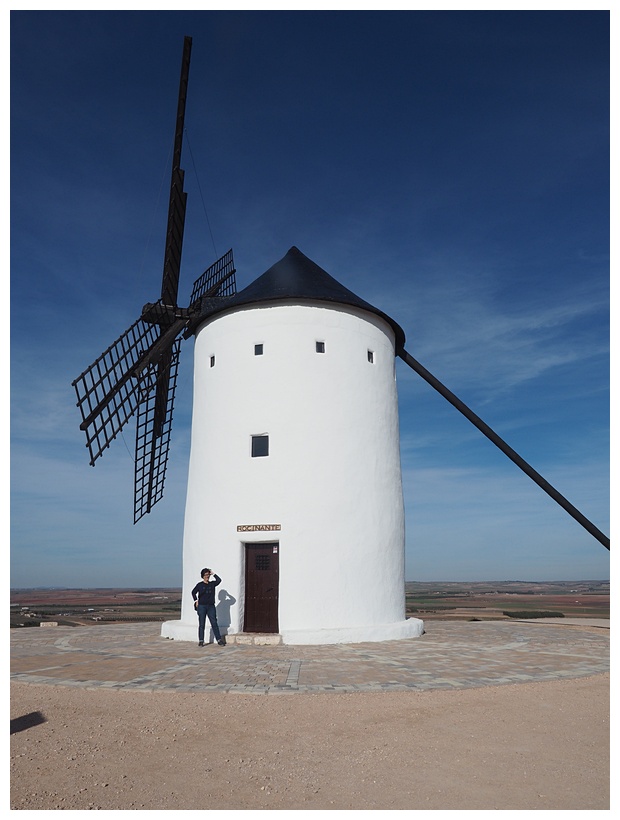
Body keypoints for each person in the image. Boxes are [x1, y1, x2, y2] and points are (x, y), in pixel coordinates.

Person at [191, 568, 226, 647]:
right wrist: (196, 601)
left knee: (214, 623)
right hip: (202, 606)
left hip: (211, 606)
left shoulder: (212, 584)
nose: (207, 576)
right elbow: (193, 592)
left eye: (208, 575)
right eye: (206, 575)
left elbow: (219, 580)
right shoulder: (199, 585)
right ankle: (201, 640)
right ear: (203, 576)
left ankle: (219, 639)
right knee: (202, 624)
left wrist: (213, 573)